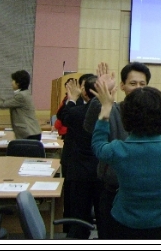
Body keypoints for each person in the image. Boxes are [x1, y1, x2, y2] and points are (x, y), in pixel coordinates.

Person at [91, 70, 161, 239]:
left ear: (125, 117)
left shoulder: (117, 150)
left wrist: (106, 108)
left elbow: (98, 144)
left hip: (125, 224)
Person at [83, 61, 154, 239]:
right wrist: (102, 98)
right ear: (122, 86)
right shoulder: (114, 110)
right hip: (113, 190)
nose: (138, 88)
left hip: (146, 193)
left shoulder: (155, 115)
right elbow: (90, 126)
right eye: (133, 83)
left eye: (142, 84)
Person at [57, 75, 101, 239]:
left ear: (85, 93)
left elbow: (63, 116)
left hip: (80, 170)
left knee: (78, 215)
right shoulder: (113, 111)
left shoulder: (76, 112)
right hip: (102, 170)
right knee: (104, 216)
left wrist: (71, 99)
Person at [0, 70, 42, 140]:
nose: (11, 83)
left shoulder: (21, 96)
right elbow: (5, 101)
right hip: (31, 132)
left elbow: (3, 104)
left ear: (18, 83)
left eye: (13, 80)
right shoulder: (23, 93)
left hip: (29, 133)